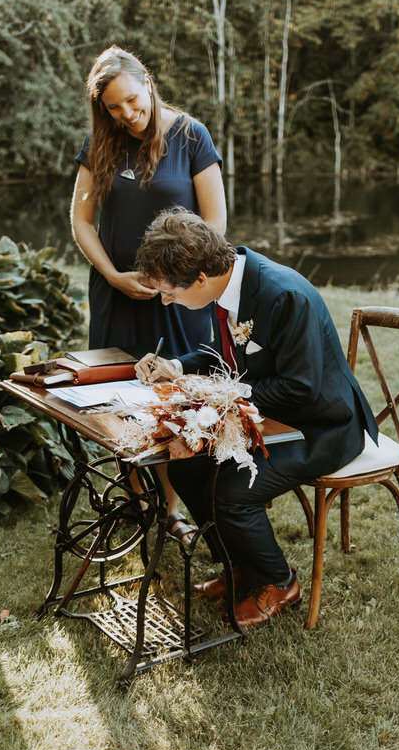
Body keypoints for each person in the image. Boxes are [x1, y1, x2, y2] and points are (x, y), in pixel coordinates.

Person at [134, 209, 378, 628]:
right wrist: (177, 366)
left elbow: (302, 387)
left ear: (199, 279)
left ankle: (278, 582)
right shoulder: (228, 285)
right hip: (272, 418)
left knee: (232, 488)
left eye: (169, 293)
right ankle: (239, 570)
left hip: (324, 425)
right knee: (188, 468)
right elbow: (230, 360)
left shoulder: (284, 295)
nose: (165, 301)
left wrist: (219, 398)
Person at [71, 46, 226, 542]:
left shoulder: (191, 136)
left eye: (133, 101)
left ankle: (174, 510)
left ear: (148, 84)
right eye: (114, 108)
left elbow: (215, 223)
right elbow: (80, 221)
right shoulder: (101, 144)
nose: (127, 115)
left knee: (173, 397)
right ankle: (136, 504)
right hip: (116, 294)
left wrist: (176, 282)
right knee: (120, 398)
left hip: (176, 297)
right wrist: (115, 275)